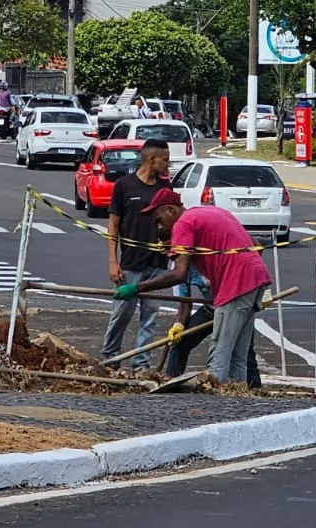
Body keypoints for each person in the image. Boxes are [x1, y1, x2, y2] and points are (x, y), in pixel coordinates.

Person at [118, 190, 272, 384]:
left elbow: (178, 273)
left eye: (159, 220)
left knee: (220, 352)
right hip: (256, 279)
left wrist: (136, 288)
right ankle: (237, 401)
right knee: (237, 355)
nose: (160, 226)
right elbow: (255, 244)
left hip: (236, 285)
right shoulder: (211, 212)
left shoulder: (183, 223)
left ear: (171, 210)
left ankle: (216, 404)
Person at [102, 138, 173, 369]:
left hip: (158, 263)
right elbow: (113, 224)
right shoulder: (124, 186)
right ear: (151, 159)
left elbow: (173, 221)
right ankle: (110, 358)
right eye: (165, 160)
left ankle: (141, 364)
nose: (168, 164)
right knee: (122, 312)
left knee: (150, 316)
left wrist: (169, 244)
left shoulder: (165, 188)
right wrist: (113, 261)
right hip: (131, 263)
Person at [163, 266, 261, 387]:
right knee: (180, 343)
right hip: (211, 308)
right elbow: (184, 302)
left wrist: (261, 290)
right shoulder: (180, 268)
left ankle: (254, 389)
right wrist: (179, 325)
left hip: (233, 307)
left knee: (244, 352)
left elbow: (253, 261)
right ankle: (170, 381)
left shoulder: (218, 254)